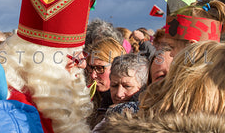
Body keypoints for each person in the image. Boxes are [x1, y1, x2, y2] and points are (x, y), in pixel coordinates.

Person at [0, 0, 97, 132]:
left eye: (82, 55)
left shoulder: (53, 105)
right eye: (75, 57)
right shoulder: (11, 113)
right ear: (44, 62)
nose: (83, 65)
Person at [96, 40, 225, 133]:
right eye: (160, 77)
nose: (171, 82)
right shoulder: (121, 119)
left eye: (177, 74)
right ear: (150, 84)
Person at [86, 37, 126, 129]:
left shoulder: (130, 104)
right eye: (91, 68)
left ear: (117, 67)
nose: (93, 75)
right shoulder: (86, 97)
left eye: (100, 68)